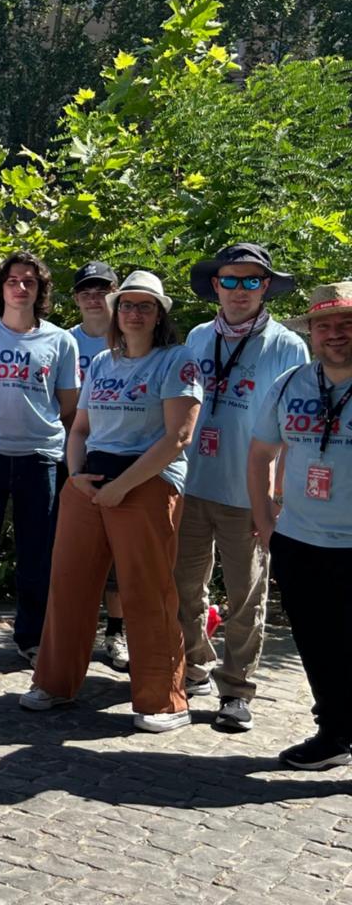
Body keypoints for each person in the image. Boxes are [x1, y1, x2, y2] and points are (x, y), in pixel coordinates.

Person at [23, 270, 202, 733]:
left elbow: (178, 437)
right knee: (69, 584)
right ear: (115, 312)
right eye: (126, 305)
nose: (134, 313)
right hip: (89, 483)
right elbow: (79, 428)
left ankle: (164, 700)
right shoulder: (102, 362)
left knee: (147, 592)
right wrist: (77, 475)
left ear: (159, 313)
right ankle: (55, 683)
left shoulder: (177, 361)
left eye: (144, 306)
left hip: (147, 481)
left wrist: (124, 487)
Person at [179, 244, 307, 734]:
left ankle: (236, 690)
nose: (239, 291)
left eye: (251, 281)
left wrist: (276, 499)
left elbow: (294, 428)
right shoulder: (194, 337)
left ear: (266, 287)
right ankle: (195, 665)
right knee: (183, 589)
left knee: (245, 596)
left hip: (248, 493)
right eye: (230, 281)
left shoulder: (287, 346)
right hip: (192, 484)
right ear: (216, 286)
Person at [0, 252, 78, 668]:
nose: (20, 287)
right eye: (13, 281)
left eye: (29, 281)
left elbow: (68, 407)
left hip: (41, 456)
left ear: (40, 290)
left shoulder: (61, 341)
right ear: (0, 288)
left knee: (36, 554)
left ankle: (31, 637)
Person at [249, 283, 352, 769]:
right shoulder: (291, 383)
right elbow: (261, 455)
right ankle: (333, 734)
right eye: (325, 325)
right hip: (300, 540)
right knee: (318, 643)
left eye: (346, 324)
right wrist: (266, 521)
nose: (335, 334)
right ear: (311, 333)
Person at [69, 261, 131, 672]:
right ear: (76, 298)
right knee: (79, 555)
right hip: (76, 455)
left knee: (122, 556)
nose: (94, 296)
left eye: (102, 289)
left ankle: (117, 631)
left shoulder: (132, 337)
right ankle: (73, 635)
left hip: (125, 459)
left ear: (115, 293)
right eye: (86, 290)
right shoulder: (66, 341)